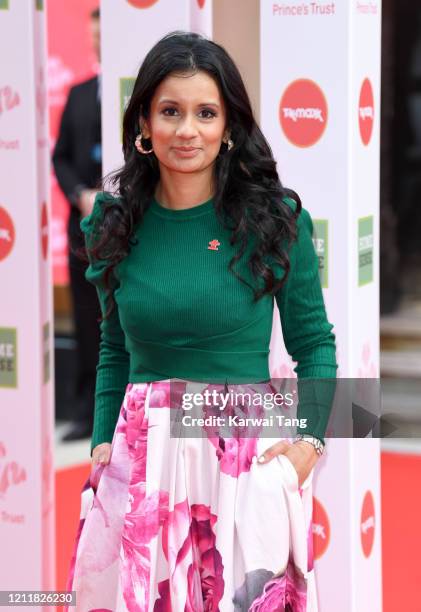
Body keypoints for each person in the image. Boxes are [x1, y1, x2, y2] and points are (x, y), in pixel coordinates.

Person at [65, 32, 337, 611]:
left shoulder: (277, 220)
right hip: (142, 463)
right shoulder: (113, 225)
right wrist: (100, 444)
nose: (187, 130)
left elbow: (314, 342)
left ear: (229, 127)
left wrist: (310, 441)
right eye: (170, 111)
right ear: (144, 123)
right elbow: (115, 347)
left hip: (243, 462)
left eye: (205, 113)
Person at [52, 7, 102, 441]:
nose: (99, 40)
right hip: (81, 225)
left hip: (125, 222)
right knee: (85, 316)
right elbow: (60, 157)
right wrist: (81, 196)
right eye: (94, 34)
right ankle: (86, 409)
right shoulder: (79, 93)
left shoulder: (137, 92)